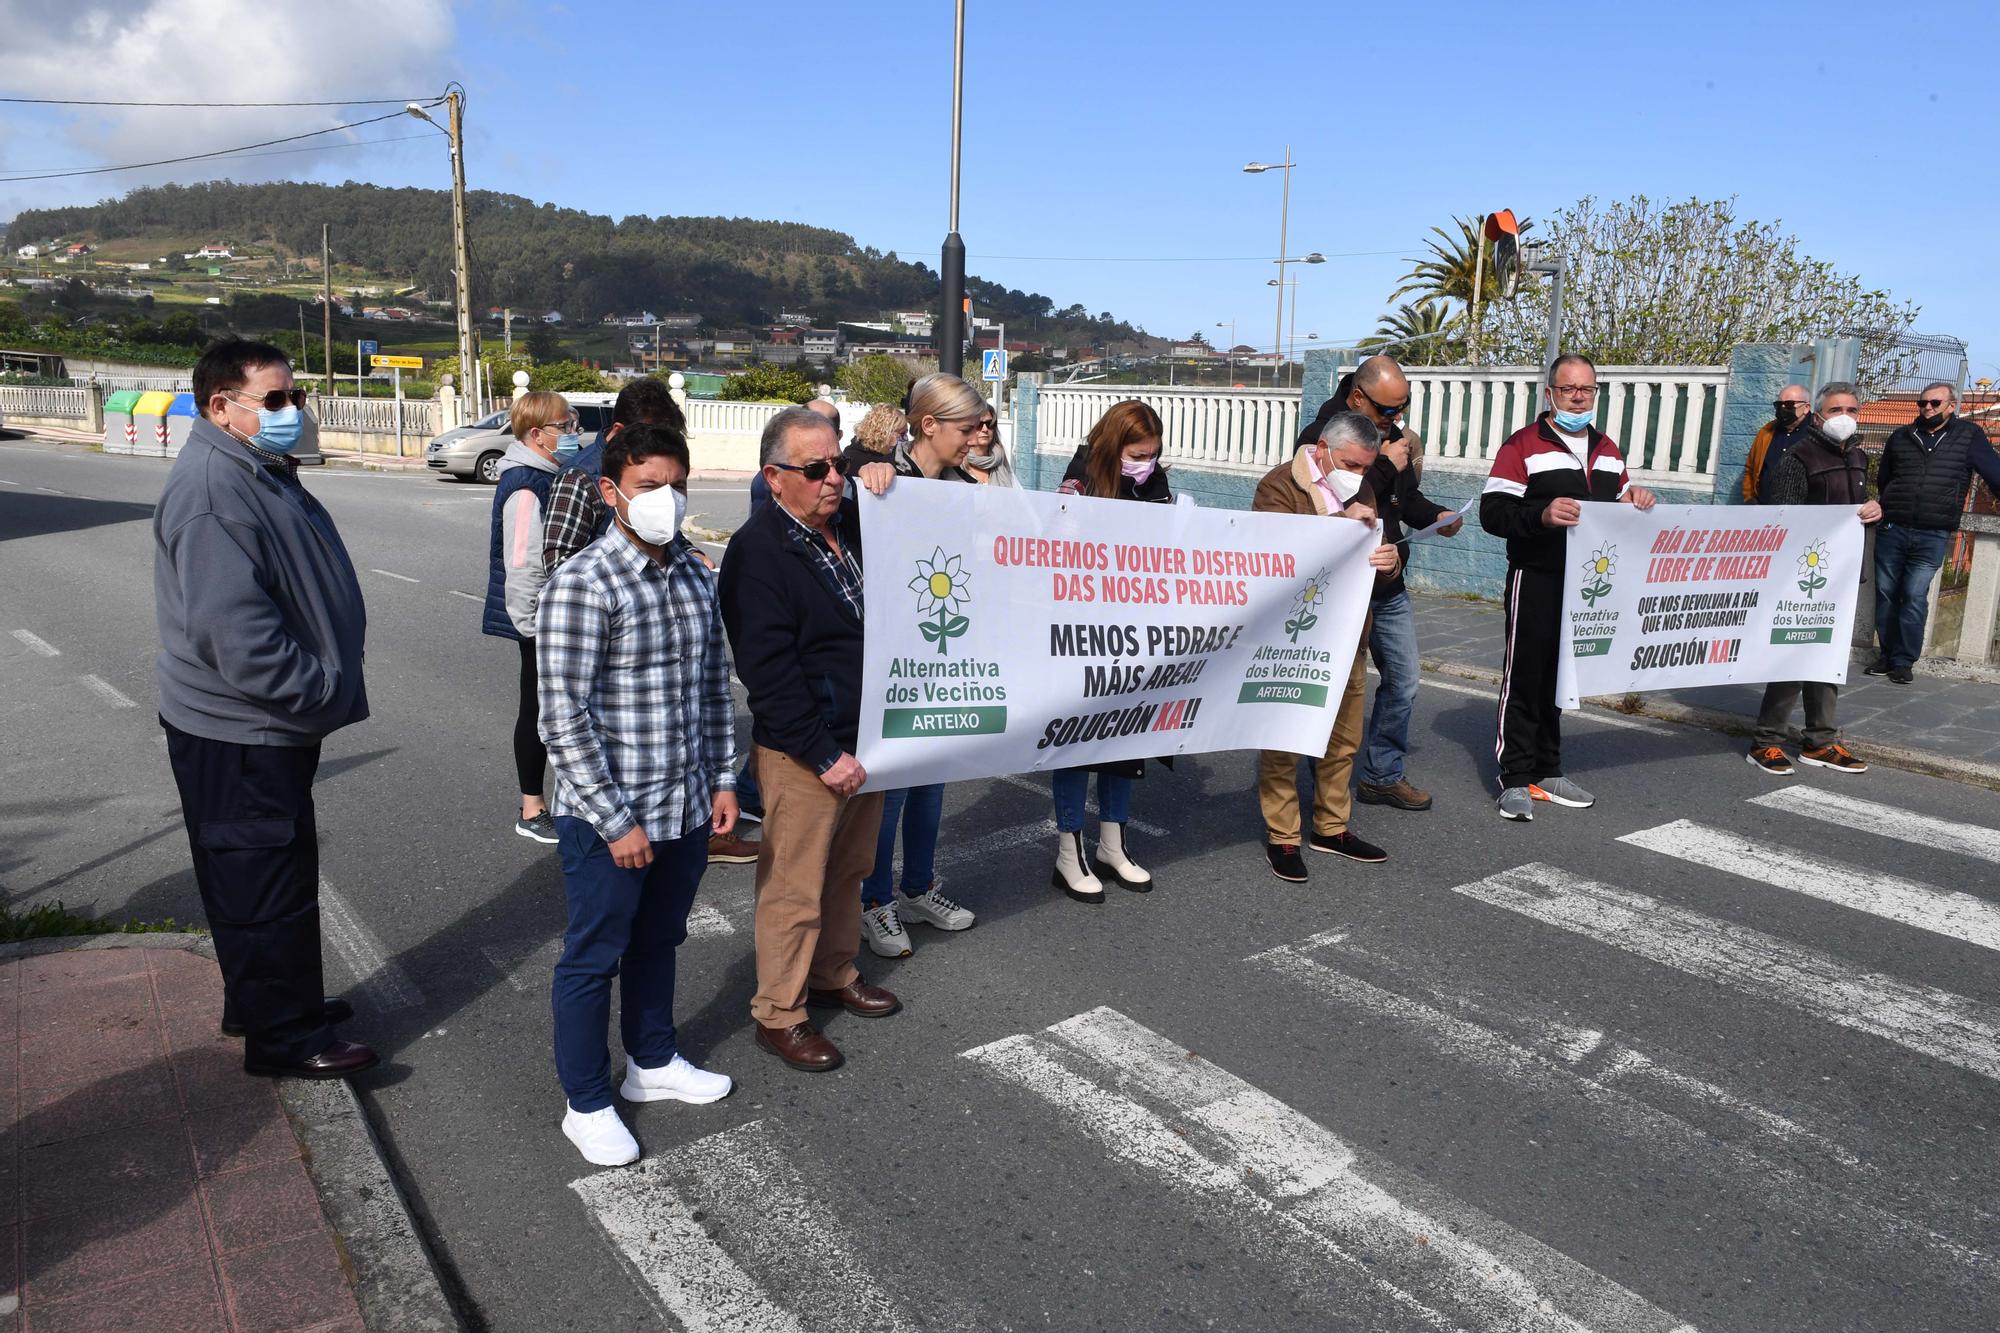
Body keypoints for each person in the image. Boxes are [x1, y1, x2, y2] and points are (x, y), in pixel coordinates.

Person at [154, 338, 376, 1079]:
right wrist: (317, 688)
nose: (292, 411)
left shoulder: (250, 465)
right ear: (222, 406)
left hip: (252, 725)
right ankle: (288, 1037)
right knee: (265, 880)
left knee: (250, 875)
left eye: (297, 397)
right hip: (246, 726)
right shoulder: (215, 489)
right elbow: (237, 639)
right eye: (275, 400)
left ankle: (267, 1002)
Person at [537, 421, 739, 1166]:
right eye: (650, 486)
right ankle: (586, 1102)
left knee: (661, 939)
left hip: (685, 805)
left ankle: (652, 1062)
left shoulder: (693, 570)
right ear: (611, 491)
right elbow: (561, 716)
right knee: (594, 956)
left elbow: (714, 689)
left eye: (677, 484)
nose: (668, 499)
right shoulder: (583, 583)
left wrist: (723, 778)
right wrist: (616, 820)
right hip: (611, 819)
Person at [719, 406, 898, 1072]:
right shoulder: (757, 550)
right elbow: (766, 672)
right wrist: (824, 753)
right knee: (794, 883)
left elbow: (931, 510)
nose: (834, 479)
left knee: (849, 869)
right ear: (774, 477)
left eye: (840, 465)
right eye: (817, 468)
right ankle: (782, 1012)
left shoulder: (852, 521)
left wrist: (886, 474)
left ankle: (832, 971)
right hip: (806, 748)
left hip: (870, 735)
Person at [1481, 354, 1657, 821]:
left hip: (1585, 586)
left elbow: (1618, 504)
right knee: (1526, 676)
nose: (1578, 396)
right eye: (1568, 388)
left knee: (1561, 679)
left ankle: (1549, 768)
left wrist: (1634, 497)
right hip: (1535, 576)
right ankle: (1515, 778)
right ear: (1550, 393)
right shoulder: (1523, 445)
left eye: (1587, 389)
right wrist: (1540, 515)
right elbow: (1492, 513)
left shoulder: (1608, 449)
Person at [855, 373, 984, 956]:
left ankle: (916, 887)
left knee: (931, 784)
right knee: (891, 792)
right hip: (887, 662)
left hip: (941, 655)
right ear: (928, 425)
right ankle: (874, 901)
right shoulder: (881, 478)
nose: (976, 438)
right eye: (966, 428)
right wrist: (866, 470)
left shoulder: (964, 486)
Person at [1252, 411, 1403, 882]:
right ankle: (1283, 837)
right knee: (1285, 737)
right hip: (1292, 638)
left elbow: (1378, 548)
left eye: (1365, 468)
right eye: (1351, 465)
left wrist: (1390, 561)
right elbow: (1275, 554)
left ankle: (1332, 828)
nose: (1358, 476)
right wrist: (1339, 518)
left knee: (1343, 741)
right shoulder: (1278, 486)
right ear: (1322, 450)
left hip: (1347, 632)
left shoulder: (1362, 488)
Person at [1310, 355, 1462, 813]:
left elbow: (1403, 499)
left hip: (1389, 585)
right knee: (1332, 688)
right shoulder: (1323, 435)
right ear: (1358, 398)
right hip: (1340, 592)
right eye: (1389, 411)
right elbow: (1335, 500)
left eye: (1404, 408)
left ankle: (1382, 774)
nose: (1398, 420)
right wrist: (1385, 466)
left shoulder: (1391, 438)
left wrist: (1437, 515)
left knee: (1404, 681)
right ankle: (1319, 777)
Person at [1046, 400, 1175, 902]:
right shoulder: (1080, 477)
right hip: (1085, 630)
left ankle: (1113, 844)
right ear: (1113, 446)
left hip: (1135, 629)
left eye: (1153, 455)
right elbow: (1059, 546)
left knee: (1126, 742)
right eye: (1138, 454)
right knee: (1078, 744)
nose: (1146, 463)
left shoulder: (1155, 482)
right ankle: (1068, 851)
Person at [1747, 382, 1880, 777]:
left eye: (1851, 410)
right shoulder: (1798, 457)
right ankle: (1765, 741)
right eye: (1836, 409)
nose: (1844, 417)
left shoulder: (1859, 457)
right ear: (1818, 416)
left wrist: (1875, 507)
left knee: (1827, 658)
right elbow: (1784, 517)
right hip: (1803, 576)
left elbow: (1858, 504)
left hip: (1841, 577)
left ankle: (1820, 741)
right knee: (1792, 654)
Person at [482, 390, 575, 845]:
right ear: (537, 434)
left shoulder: (545, 474)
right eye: (564, 426)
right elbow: (522, 564)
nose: (572, 433)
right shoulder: (524, 485)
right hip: (537, 622)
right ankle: (532, 806)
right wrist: (534, 629)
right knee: (536, 709)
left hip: (547, 618)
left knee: (550, 709)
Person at [1869, 381, 2000, 682]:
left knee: (1914, 595)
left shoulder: (1969, 437)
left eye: (1935, 403)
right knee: (1887, 593)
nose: (1928, 407)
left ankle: (1903, 661)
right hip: (1892, 528)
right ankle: (1886, 655)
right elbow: (1886, 477)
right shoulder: (1901, 436)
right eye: (1923, 402)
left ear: (1952, 406)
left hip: (1933, 533)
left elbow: (1994, 473)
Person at [1741, 384, 1813, 503]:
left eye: (1789, 404)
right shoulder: (1766, 432)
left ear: (1806, 407)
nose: (1783, 408)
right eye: (1779, 405)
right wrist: (1749, 498)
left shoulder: (1817, 434)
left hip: (1802, 513)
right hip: (1764, 509)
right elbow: (1750, 468)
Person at [963, 401, 1015, 486]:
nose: (985, 429)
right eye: (979, 424)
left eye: (989, 424)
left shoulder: (1001, 461)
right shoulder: (956, 463)